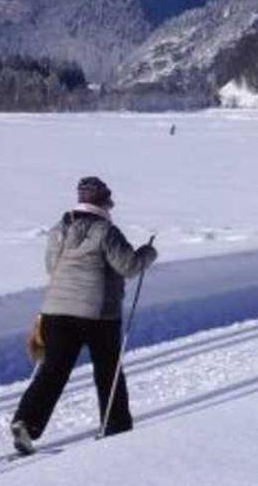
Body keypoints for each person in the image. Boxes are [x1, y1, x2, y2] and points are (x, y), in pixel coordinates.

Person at [11, 176, 158, 455]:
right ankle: (116, 427)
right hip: (98, 314)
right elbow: (128, 266)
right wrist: (147, 252)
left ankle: (26, 422)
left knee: (53, 370)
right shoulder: (106, 231)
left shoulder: (58, 229)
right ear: (104, 203)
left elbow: (52, 267)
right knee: (108, 369)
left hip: (55, 311)